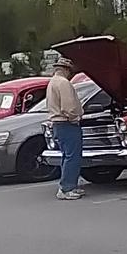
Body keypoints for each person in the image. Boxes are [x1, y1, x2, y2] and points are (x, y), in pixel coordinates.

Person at [46, 57, 84, 200]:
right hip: (67, 123)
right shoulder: (63, 83)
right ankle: (67, 188)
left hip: (57, 123)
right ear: (66, 70)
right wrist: (75, 117)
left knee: (66, 156)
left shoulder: (52, 82)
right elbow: (68, 107)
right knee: (73, 156)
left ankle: (68, 185)